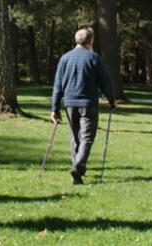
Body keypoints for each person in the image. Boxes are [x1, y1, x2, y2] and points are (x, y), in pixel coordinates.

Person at [51, 28, 116, 185]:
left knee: (75, 138)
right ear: (90, 41)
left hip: (70, 103)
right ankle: (78, 166)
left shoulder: (65, 58)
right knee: (87, 137)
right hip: (89, 103)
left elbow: (58, 85)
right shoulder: (94, 58)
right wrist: (112, 99)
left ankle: (77, 174)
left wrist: (55, 108)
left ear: (76, 40)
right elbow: (105, 81)